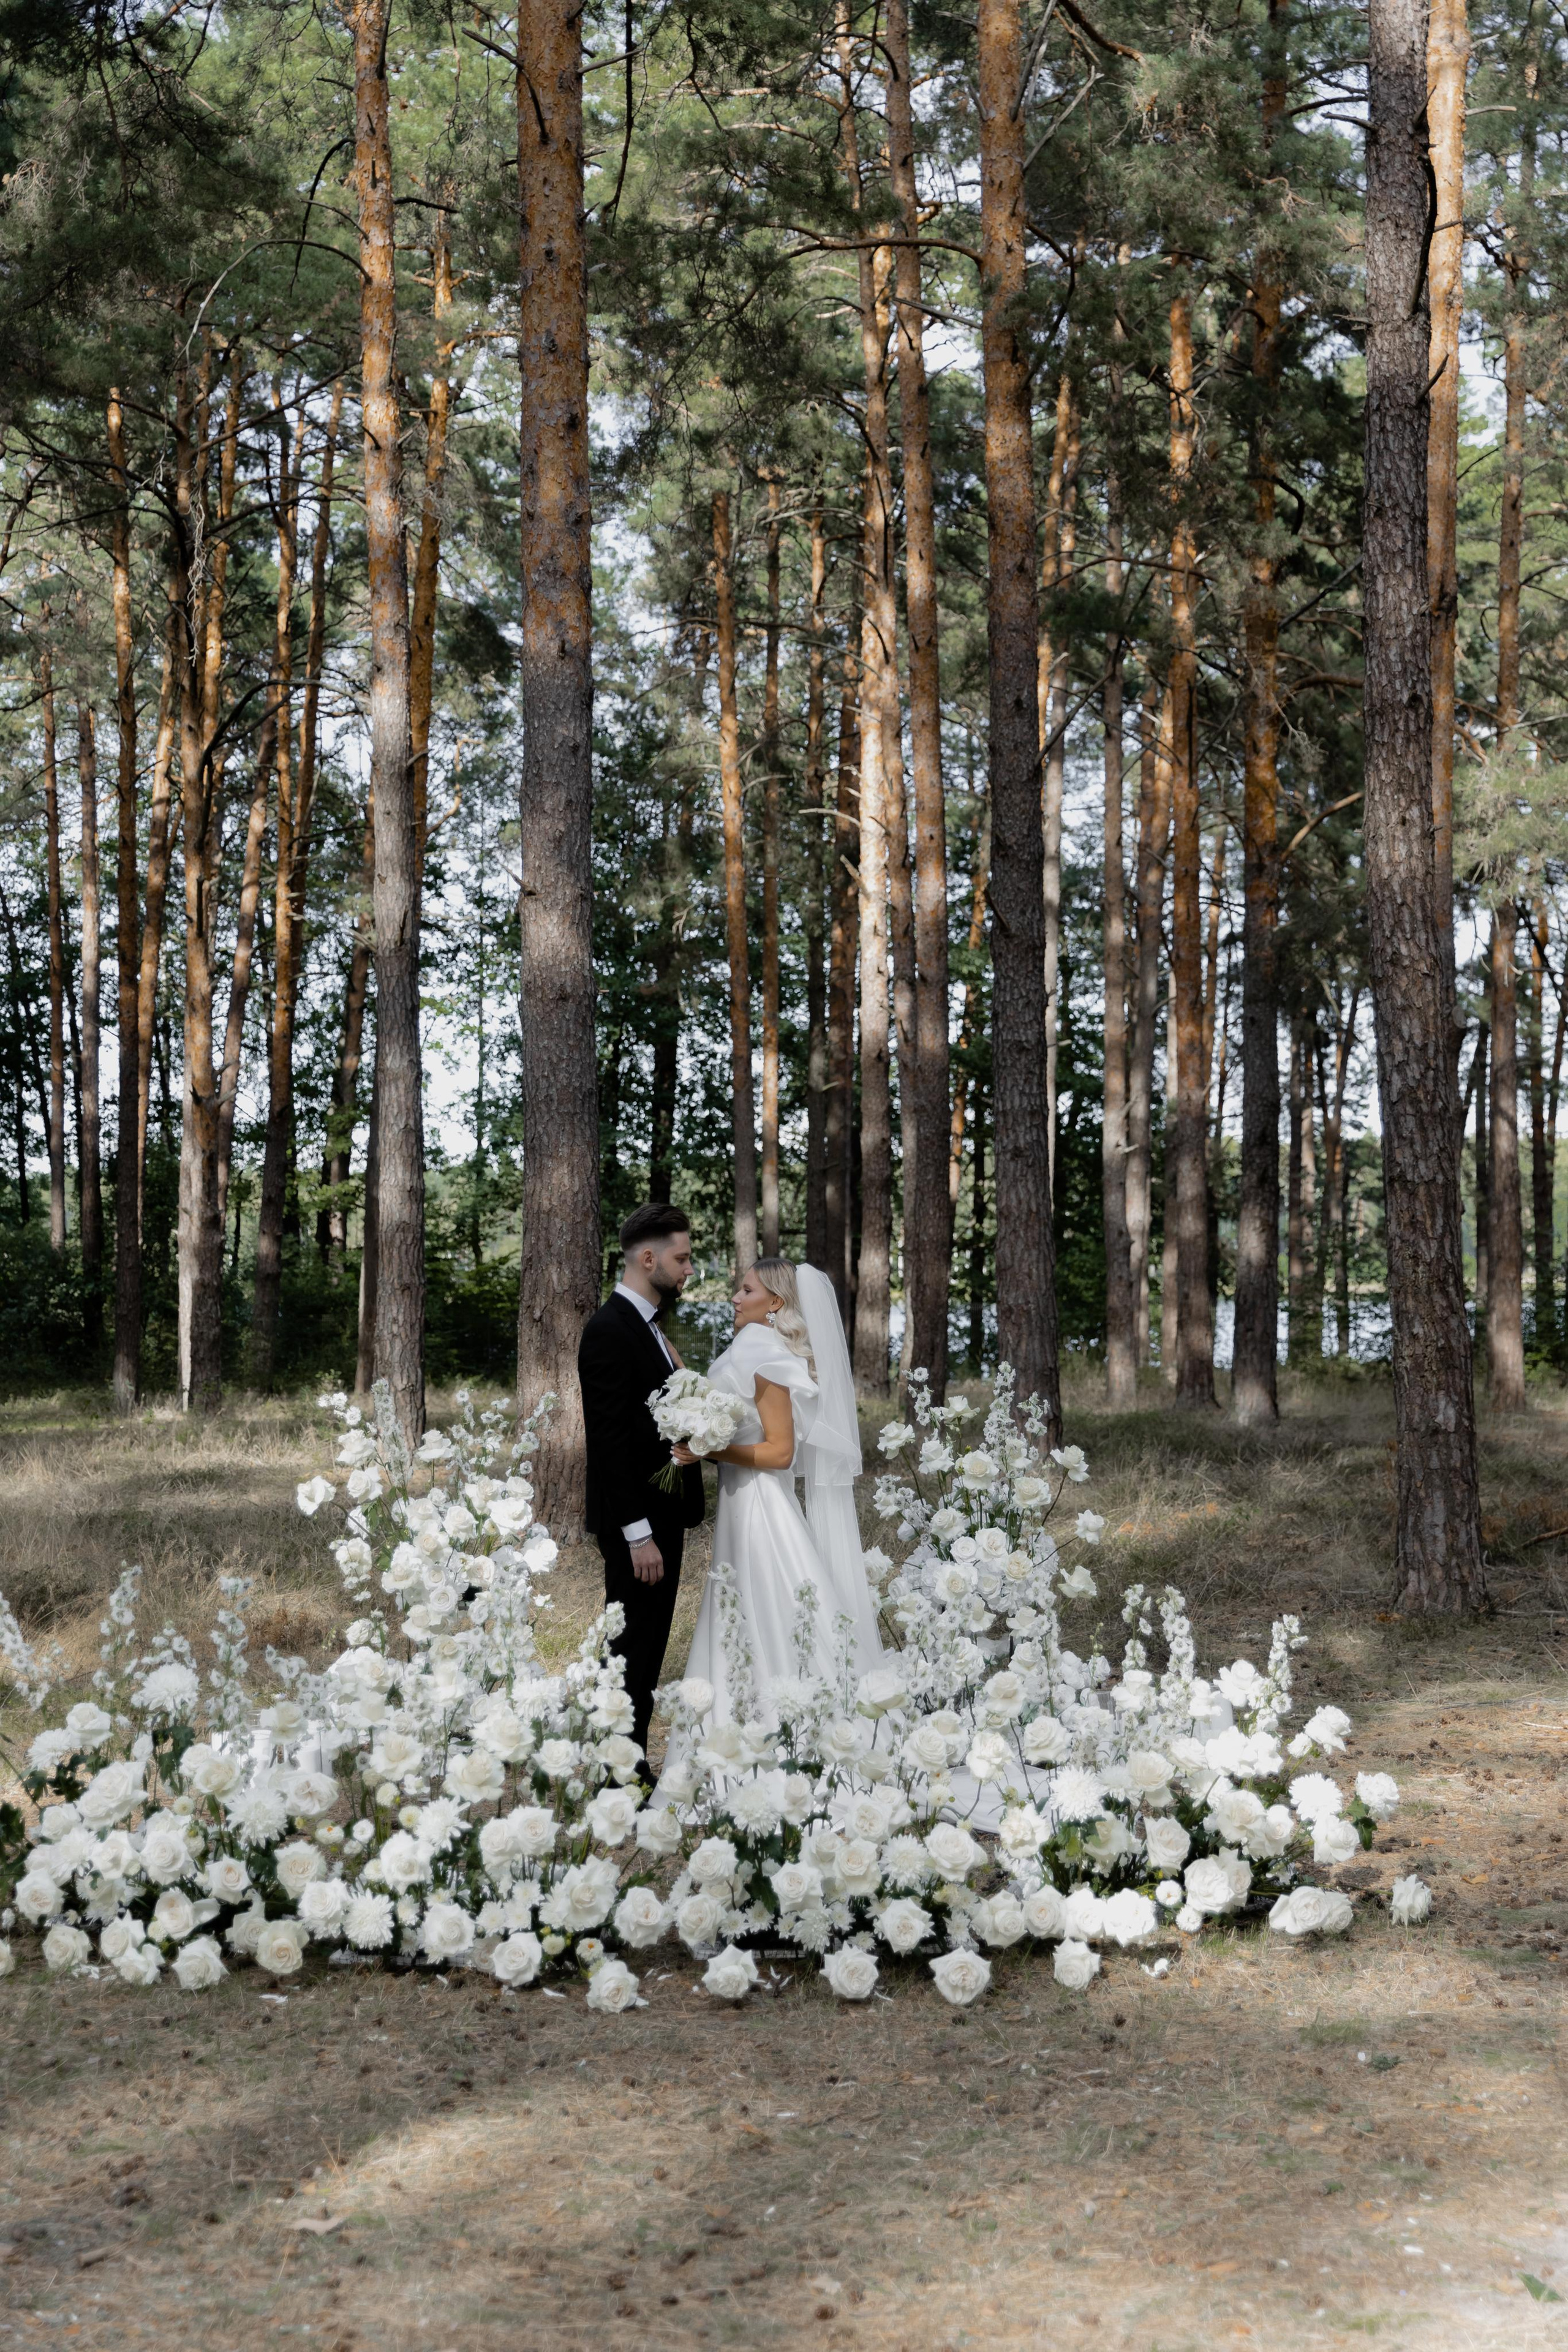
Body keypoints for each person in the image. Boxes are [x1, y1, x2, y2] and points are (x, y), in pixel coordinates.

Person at [671, 1256, 884, 1718]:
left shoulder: (761, 1349)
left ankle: (775, 1714)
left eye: (746, 1290)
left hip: (758, 1505)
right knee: (752, 1607)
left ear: (776, 1303)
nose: (735, 1297)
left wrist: (709, 1450)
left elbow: (779, 1452)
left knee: (767, 1601)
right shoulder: (753, 1345)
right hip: (741, 1501)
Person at [578, 1204, 706, 1759]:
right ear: (647, 1258)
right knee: (631, 1649)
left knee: (648, 1649)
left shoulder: (650, 1327)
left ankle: (628, 1765)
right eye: (682, 1259)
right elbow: (608, 1443)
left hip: (662, 1515)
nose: (689, 1269)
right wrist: (638, 1535)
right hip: (640, 1526)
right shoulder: (609, 1330)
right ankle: (618, 1773)